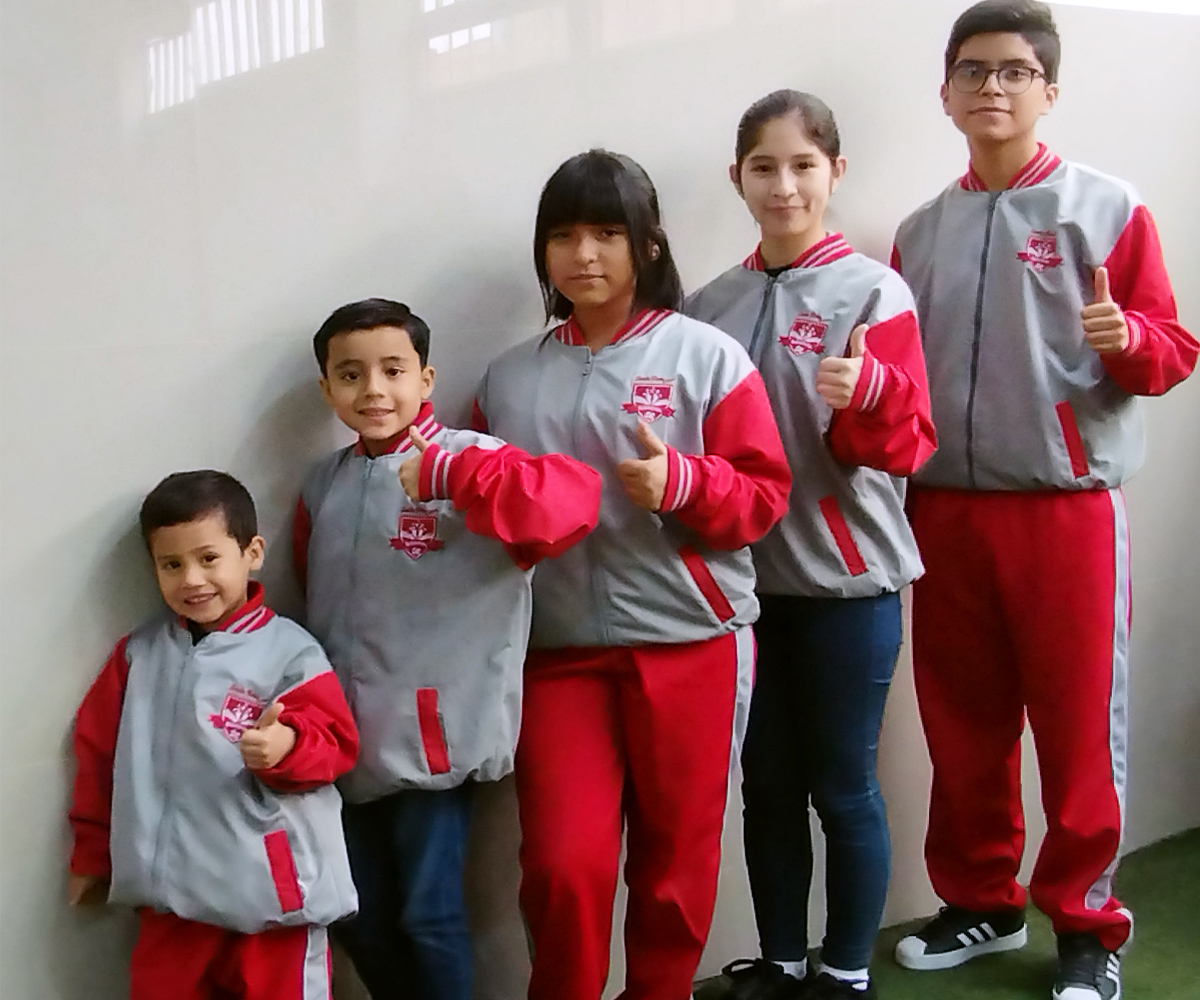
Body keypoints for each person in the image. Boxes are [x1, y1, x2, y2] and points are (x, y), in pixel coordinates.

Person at [889, 4, 1198, 999]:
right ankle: (981, 900)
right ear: (945, 92)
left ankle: (1086, 925)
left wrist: (1126, 341)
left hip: (1065, 511)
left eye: (1015, 71)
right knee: (962, 723)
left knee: (1075, 728)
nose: (992, 88)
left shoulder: (1105, 209)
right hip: (944, 514)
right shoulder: (920, 232)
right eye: (972, 71)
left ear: (1048, 92)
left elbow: (1172, 351)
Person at [474, 149, 792, 1000]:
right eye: (565, 235)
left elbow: (764, 496)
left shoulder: (708, 357)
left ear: (647, 245)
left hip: (691, 645)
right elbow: (486, 514)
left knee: (674, 863)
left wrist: (683, 483)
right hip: (558, 656)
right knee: (562, 866)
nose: (585, 255)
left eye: (607, 233)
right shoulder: (508, 380)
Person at [686, 90, 936, 1000]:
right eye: (764, 167)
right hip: (746, 598)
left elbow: (913, 447)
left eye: (802, 165)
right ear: (738, 180)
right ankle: (783, 962)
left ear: (834, 171)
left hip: (847, 587)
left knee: (844, 787)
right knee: (767, 789)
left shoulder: (875, 290)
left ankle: (846, 973)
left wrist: (869, 394)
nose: (784, 185)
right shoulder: (712, 304)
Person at [294, 298, 601, 1000]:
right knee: (357, 916)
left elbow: (571, 504)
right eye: (351, 374)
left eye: (393, 370)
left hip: (435, 739)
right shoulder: (325, 483)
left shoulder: (474, 459)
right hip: (343, 742)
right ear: (327, 389)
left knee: (428, 916)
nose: (374, 390)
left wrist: (449, 478)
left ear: (426, 380)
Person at [68, 470, 359, 1000]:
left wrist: (286, 748)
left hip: (271, 912)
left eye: (208, 559)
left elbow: (337, 743)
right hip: (172, 906)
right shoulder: (139, 655)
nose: (192, 580)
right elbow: (98, 755)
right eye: (171, 564)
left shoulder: (290, 652)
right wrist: (92, 854)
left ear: (252, 552)